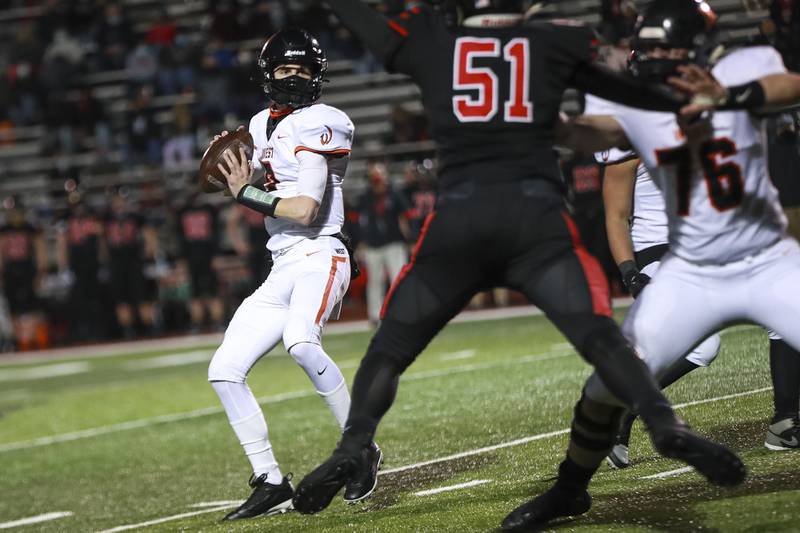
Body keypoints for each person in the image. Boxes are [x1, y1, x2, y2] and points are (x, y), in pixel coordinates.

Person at [292, 0, 745, 519]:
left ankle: (354, 444)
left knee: (391, 346)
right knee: (599, 336)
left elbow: (366, 23)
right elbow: (631, 94)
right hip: (536, 221)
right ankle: (664, 422)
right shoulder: (557, 40)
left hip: (460, 220)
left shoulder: (432, 42)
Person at [519, 0, 800, 529]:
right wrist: (548, 121)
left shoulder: (742, 66)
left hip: (768, 257)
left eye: (664, 49)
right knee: (607, 382)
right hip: (690, 269)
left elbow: (789, 86)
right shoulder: (634, 96)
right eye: (646, 50)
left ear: (695, 48)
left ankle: (787, 417)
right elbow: (588, 133)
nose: (653, 59)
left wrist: (727, 97)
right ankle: (569, 490)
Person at [205, 27, 378, 521]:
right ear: (268, 75)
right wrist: (230, 172)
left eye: (303, 70)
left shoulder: (324, 121)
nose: (294, 78)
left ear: (318, 76)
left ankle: (360, 448)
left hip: (322, 253)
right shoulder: (261, 124)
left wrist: (244, 193)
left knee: (301, 341)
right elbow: (262, 184)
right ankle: (270, 481)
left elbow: (304, 209)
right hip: (282, 263)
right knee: (224, 369)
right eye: (285, 69)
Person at [356, 162, 409, 324]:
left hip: (394, 242)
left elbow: (404, 217)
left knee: (398, 279)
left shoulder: (394, 193)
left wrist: (409, 239)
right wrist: (361, 242)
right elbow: (360, 222)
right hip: (373, 245)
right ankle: (375, 316)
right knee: (375, 282)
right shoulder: (365, 197)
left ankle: (402, 312)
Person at [103, 191, 159, 338]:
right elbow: (102, 240)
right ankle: (128, 330)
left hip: (134, 262)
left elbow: (149, 233)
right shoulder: (106, 218)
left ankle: (148, 327)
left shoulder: (136, 216)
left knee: (142, 297)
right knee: (122, 300)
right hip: (117, 263)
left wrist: (150, 252)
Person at [176, 192, 224, 332]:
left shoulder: (209, 209)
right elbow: (180, 236)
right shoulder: (182, 211)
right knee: (195, 291)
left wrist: (216, 255)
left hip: (208, 254)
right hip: (192, 255)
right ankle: (197, 322)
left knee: (213, 290)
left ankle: (218, 321)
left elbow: (216, 233)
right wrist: (182, 258)